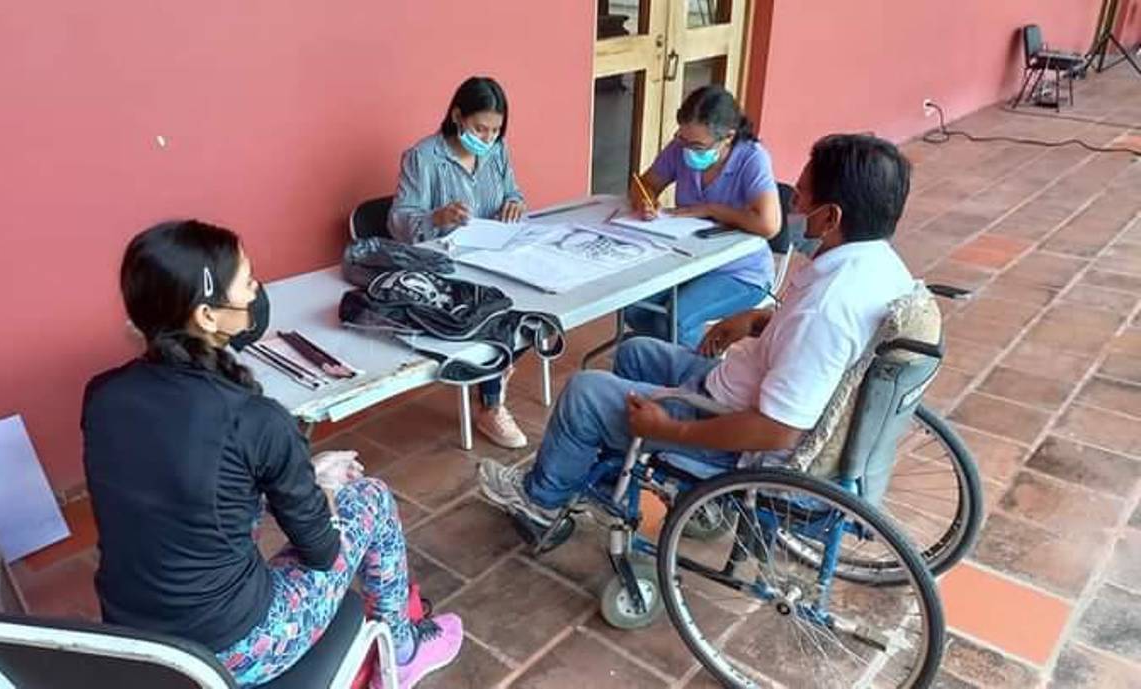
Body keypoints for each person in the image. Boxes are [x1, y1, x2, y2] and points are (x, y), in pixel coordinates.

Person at [82, 220, 462, 688]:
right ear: (206, 316)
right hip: (230, 653)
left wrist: (297, 474)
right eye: (248, 282)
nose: (256, 292)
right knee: (372, 500)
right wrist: (316, 488)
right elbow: (322, 552)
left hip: (130, 641)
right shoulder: (256, 419)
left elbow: (184, 489)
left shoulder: (102, 396)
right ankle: (403, 651)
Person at [478, 134, 915, 525]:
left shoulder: (827, 309)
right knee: (638, 352)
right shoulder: (880, 268)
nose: (795, 205)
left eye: (802, 195)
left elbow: (778, 430)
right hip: (738, 385)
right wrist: (756, 321)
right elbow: (810, 347)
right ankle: (608, 473)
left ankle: (542, 501)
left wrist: (673, 430)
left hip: (735, 435)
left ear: (831, 217)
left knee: (585, 392)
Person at [388, 75, 529, 449]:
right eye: (479, 128)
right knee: (495, 310)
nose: (486, 139)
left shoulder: (497, 151)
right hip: (444, 266)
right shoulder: (423, 157)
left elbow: (513, 192)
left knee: (539, 306)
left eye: (495, 131)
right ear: (457, 116)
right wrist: (437, 218)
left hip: (492, 256)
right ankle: (492, 402)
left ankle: (495, 367)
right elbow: (399, 220)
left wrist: (515, 204)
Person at [623, 85, 782, 350]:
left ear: (728, 137)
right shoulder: (681, 147)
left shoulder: (752, 159)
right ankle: (666, 354)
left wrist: (711, 209)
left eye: (696, 145)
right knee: (634, 307)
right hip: (688, 261)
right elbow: (646, 183)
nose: (686, 150)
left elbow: (769, 224)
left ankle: (696, 376)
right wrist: (645, 201)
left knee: (678, 318)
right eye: (682, 139)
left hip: (741, 272)